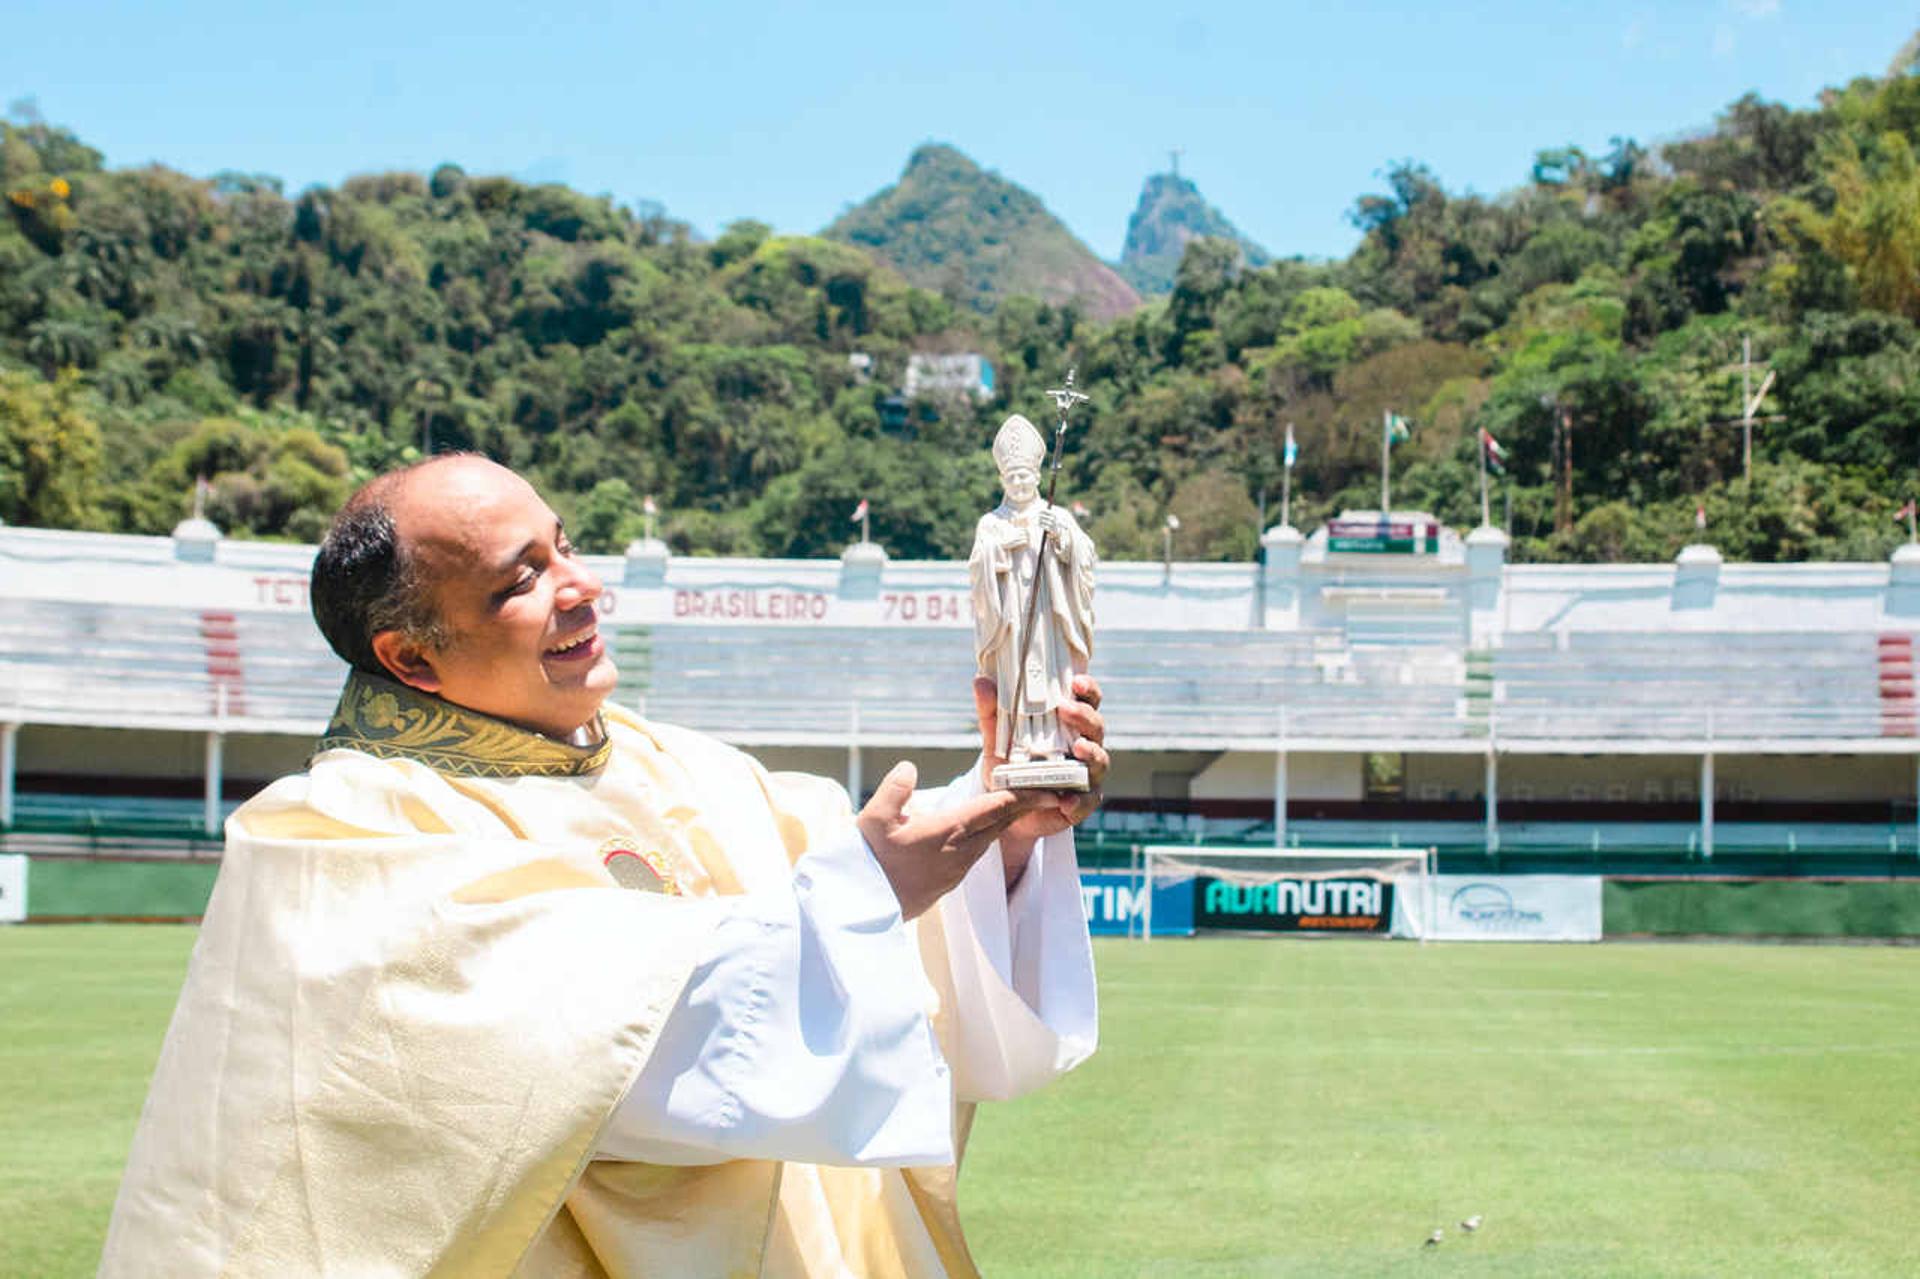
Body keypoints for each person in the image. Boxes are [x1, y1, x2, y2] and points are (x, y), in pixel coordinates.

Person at [101, 455, 1108, 1277]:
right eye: (520, 580)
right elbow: (579, 1051)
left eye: (564, 545)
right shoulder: (340, 831)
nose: (580, 586)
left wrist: (1007, 819)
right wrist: (867, 893)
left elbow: (863, 893)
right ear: (410, 658)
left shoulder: (671, 762)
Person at [969, 415, 1096, 769]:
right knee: (1016, 679)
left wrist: (1061, 537)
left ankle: (1055, 741)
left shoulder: (1055, 514)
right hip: (1011, 619)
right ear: (1002, 480)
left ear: (1038, 477)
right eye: (1012, 477)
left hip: (1046, 614)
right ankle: (1021, 744)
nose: (1019, 483)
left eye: (1025, 475)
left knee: (1054, 677)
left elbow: (1085, 557)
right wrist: (1000, 550)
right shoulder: (991, 522)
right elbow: (977, 569)